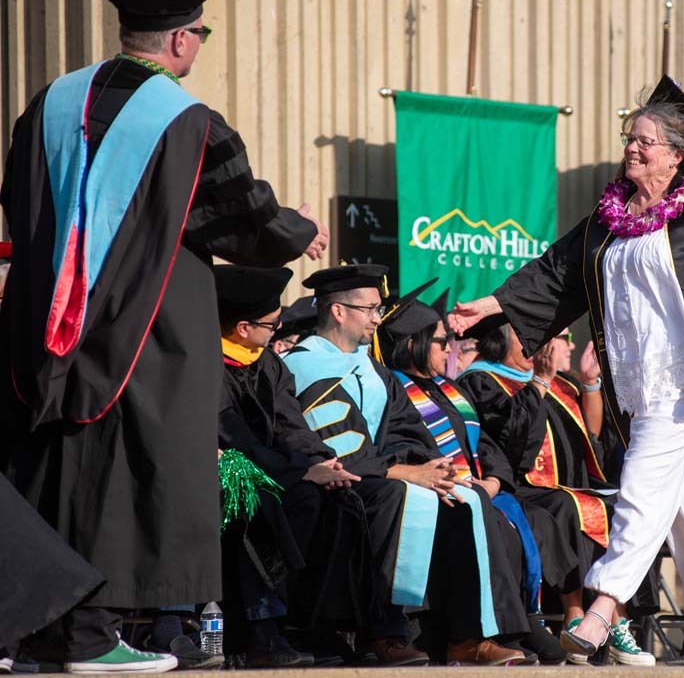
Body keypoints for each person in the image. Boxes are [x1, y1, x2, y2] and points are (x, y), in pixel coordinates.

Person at [0, 0, 327, 673]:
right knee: (123, 474)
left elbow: (15, 195)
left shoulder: (50, 104)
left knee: (50, 464)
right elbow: (240, 220)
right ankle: (91, 636)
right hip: (147, 330)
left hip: (43, 324)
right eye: (199, 34)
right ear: (181, 39)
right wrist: (297, 228)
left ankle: (36, 633)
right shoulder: (187, 121)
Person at [450, 76, 684, 666]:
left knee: (641, 487)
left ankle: (603, 605)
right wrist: (494, 304)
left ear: (677, 156)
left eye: (646, 141)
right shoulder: (607, 219)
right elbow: (554, 273)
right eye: (631, 138)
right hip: (632, 379)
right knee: (677, 498)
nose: (633, 148)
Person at [281, 265, 528, 665]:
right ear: (339, 311)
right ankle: (386, 633)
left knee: (463, 497)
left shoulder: (375, 372)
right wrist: (405, 473)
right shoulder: (304, 366)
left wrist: (431, 469)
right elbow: (339, 445)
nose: (377, 319)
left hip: (378, 475)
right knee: (397, 495)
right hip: (334, 482)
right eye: (370, 309)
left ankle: (469, 637)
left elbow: (404, 431)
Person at [373, 289, 566, 664]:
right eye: (441, 341)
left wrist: (493, 480)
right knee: (482, 515)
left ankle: (522, 623)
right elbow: (404, 448)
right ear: (412, 344)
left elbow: (487, 446)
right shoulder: (394, 389)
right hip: (434, 491)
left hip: (475, 489)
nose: (450, 349)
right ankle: (479, 636)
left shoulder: (449, 389)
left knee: (525, 514)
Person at [460, 325, 656, 666]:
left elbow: (592, 439)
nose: (549, 344)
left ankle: (617, 621)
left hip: (568, 486)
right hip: (522, 488)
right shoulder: (482, 381)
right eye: (549, 336)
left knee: (621, 506)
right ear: (506, 340)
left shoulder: (562, 384)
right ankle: (574, 616)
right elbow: (512, 444)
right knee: (568, 505)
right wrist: (539, 381)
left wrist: (590, 384)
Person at [214, 265, 378, 667]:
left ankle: (318, 625)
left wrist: (322, 461)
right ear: (242, 328)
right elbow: (232, 436)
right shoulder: (208, 364)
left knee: (341, 502)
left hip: (277, 467)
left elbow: (291, 424)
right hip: (226, 469)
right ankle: (261, 628)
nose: (279, 330)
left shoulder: (268, 363)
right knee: (270, 499)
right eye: (272, 324)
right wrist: (299, 472)